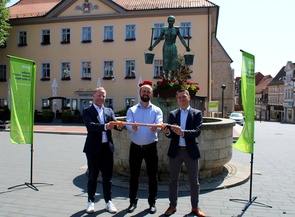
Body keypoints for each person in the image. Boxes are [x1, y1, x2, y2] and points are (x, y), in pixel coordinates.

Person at [163, 89, 205, 217]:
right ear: (177, 100)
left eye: (184, 96)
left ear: (189, 98)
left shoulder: (197, 113)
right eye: (179, 97)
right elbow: (170, 135)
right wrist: (167, 132)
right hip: (176, 151)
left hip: (190, 151)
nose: (181, 99)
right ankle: (172, 206)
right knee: (173, 180)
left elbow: (197, 131)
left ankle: (195, 207)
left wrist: (182, 132)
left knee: (194, 181)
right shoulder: (173, 114)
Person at [82, 87, 122, 214]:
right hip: (93, 149)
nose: (101, 98)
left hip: (107, 149)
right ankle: (91, 201)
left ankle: (108, 202)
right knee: (93, 176)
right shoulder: (87, 111)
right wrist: (105, 126)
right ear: (93, 96)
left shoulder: (109, 110)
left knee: (107, 178)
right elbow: (90, 126)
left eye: (103, 96)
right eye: (99, 95)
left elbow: (115, 124)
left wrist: (120, 126)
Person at [125, 81, 163, 214]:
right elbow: (128, 123)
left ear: (151, 94)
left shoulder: (157, 110)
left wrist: (156, 127)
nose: (145, 93)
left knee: (153, 176)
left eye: (148, 91)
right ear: (140, 93)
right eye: (143, 91)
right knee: (133, 176)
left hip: (151, 148)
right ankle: (132, 202)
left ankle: (152, 203)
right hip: (135, 147)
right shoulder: (132, 109)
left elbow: (159, 123)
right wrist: (132, 126)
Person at [148, 15, 190, 80]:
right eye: (170, 21)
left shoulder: (176, 29)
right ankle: (166, 80)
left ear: (174, 21)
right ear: (167, 21)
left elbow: (181, 39)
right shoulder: (164, 29)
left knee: (174, 62)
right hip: (166, 47)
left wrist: (186, 46)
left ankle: (172, 80)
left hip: (173, 46)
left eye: (172, 21)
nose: (171, 22)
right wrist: (152, 46)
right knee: (166, 62)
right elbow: (159, 39)